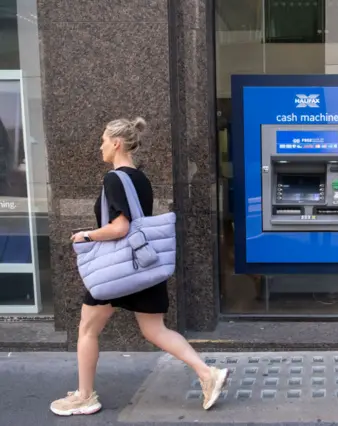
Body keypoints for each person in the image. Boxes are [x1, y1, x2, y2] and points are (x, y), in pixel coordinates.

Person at [49, 117, 228, 416]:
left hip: (116, 269)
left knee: (87, 329)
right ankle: (207, 373)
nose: (101, 146)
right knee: (155, 329)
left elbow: (120, 227)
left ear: (117, 143)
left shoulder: (114, 178)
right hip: (143, 265)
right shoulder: (140, 178)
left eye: (103, 141)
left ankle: (85, 396)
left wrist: (87, 235)